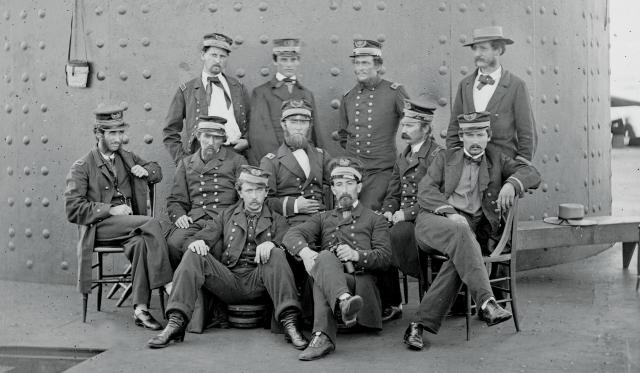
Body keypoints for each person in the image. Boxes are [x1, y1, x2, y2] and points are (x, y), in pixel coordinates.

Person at [403, 112, 541, 350]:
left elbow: (533, 174)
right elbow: (425, 191)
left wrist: (511, 183)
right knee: (463, 237)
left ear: (488, 136)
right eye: (469, 135)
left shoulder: (497, 159)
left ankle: (418, 325)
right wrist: (450, 213)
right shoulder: (445, 157)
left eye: (479, 134)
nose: (475, 140)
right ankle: (487, 301)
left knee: (461, 256)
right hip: (433, 222)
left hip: (469, 235)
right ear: (462, 137)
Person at [148, 166, 308, 351]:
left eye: (259, 190)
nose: (254, 196)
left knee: (277, 253)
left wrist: (274, 245)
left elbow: (292, 245)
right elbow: (195, 238)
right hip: (229, 281)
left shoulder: (277, 219)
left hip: (260, 281)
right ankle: (175, 323)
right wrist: (197, 243)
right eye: (249, 190)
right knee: (194, 253)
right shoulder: (226, 215)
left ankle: (290, 325)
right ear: (240, 192)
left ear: (266, 193)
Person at [65, 104, 172, 331]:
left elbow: (157, 171)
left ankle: (140, 310)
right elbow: (73, 209)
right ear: (98, 134)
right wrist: (110, 209)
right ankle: (169, 285)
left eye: (121, 132)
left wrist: (147, 171)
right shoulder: (82, 166)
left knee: (143, 242)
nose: (118, 138)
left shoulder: (127, 157)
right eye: (112, 133)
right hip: (99, 227)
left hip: (130, 228)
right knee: (151, 224)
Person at [283, 157, 392, 361]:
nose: (344, 190)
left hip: (359, 285)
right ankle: (343, 303)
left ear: (359, 187)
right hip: (333, 283)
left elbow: (385, 258)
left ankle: (322, 335)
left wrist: (356, 255)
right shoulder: (322, 218)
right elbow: (290, 236)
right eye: (339, 184)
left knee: (322, 266)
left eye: (350, 184)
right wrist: (306, 253)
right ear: (332, 190)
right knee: (323, 258)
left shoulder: (375, 219)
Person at [378, 99, 443, 321]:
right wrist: (388, 210)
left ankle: (428, 300)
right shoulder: (403, 155)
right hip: (402, 217)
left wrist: (406, 214)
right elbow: (393, 192)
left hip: (426, 216)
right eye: (403, 125)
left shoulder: (436, 156)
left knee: (391, 237)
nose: (403, 130)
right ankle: (392, 301)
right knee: (375, 232)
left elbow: (436, 196)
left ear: (425, 128)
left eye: (409, 126)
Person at [333, 39, 409, 210]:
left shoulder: (394, 92)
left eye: (365, 63)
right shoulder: (348, 97)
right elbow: (343, 135)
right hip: (353, 170)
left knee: (367, 212)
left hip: (381, 170)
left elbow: (413, 124)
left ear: (378, 65)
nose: (360, 68)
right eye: (357, 63)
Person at [165, 115, 247, 269]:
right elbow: (176, 199)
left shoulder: (237, 161)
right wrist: (180, 215)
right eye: (207, 136)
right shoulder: (186, 163)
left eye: (217, 138)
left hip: (224, 220)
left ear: (223, 140)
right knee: (174, 244)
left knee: (217, 248)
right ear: (198, 136)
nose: (211, 142)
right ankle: (182, 288)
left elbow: (244, 198)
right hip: (195, 219)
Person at [446, 26, 537, 163]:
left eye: (483, 48)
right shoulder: (465, 85)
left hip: (503, 166)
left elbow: (527, 133)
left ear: (498, 50)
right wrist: (456, 160)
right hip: (470, 166)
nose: (477, 53)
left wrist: (518, 168)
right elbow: (454, 127)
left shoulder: (516, 85)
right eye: (475, 49)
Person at [164, 32, 250, 165]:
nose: (218, 60)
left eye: (222, 56)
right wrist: (184, 161)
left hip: (235, 155)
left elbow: (252, 122)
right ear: (203, 55)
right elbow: (170, 131)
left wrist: (247, 141)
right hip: (201, 158)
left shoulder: (239, 88)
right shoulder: (187, 91)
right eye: (213, 55)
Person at [247, 38, 319, 165]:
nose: (289, 64)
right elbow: (261, 137)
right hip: (276, 162)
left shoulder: (307, 94)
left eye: (293, 59)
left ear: (298, 61)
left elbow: (315, 134)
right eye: (284, 60)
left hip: (303, 161)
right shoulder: (261, 93)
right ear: (275, 61)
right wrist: (277, 163)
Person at [260, 99, 331, 227]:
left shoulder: (322, 156)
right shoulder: (271, 161)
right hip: (289, 223)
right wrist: (295, 205)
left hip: (323, 220)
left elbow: (335, 187)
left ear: (309, 125)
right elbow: (263, 199)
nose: (298, 127)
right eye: (293, 122)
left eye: (303, 122)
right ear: (283, 124)